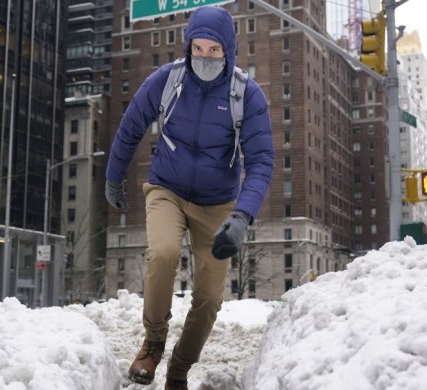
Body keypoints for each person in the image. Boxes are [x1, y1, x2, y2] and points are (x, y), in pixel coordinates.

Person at [105, 6, 274, 389]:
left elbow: (262, 160)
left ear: (228, 50)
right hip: (168, 189)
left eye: (213, 50)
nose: (205, 57)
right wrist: (113, 180)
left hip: (218, 204)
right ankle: (153, 343)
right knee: (162, 253)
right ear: (188, 47)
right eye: (198, 48)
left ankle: (179, 369)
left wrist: (241, 216)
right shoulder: (167, 81)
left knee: (210, 298)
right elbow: (131, 127)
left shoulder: (246, 95)